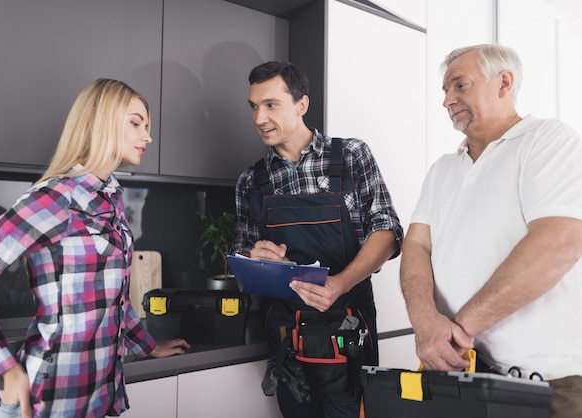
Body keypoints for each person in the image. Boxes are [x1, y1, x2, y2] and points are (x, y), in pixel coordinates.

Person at [0, 78, 190, 418]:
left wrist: (146, 346)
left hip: (98, 393)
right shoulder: (55, 199)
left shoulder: (109, 200)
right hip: (52, 396)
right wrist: (5, 368)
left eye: (147, 126)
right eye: (136, 123)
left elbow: (113, 298)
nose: (148, 136)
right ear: (101, 122)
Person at [400, 44, 582, 418]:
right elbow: (416, 244)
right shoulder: (443, 169)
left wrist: (458, 329)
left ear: (503, 83)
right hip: (464, 371)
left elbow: (560, 240)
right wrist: (425, 322)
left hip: (548, 382)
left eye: (459, 85)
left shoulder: (549, 141)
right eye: (445, 90)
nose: (447, 100)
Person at [233, 61, 403, 418]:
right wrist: (255, 257)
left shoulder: (351, 156)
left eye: (271, 105)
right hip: (288, 339)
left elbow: (387, 232)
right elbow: (241, 257)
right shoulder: (253, 180)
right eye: (253, 106)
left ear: (301, 105)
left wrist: (340, 283)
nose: (259, 117)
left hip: (347, 330)